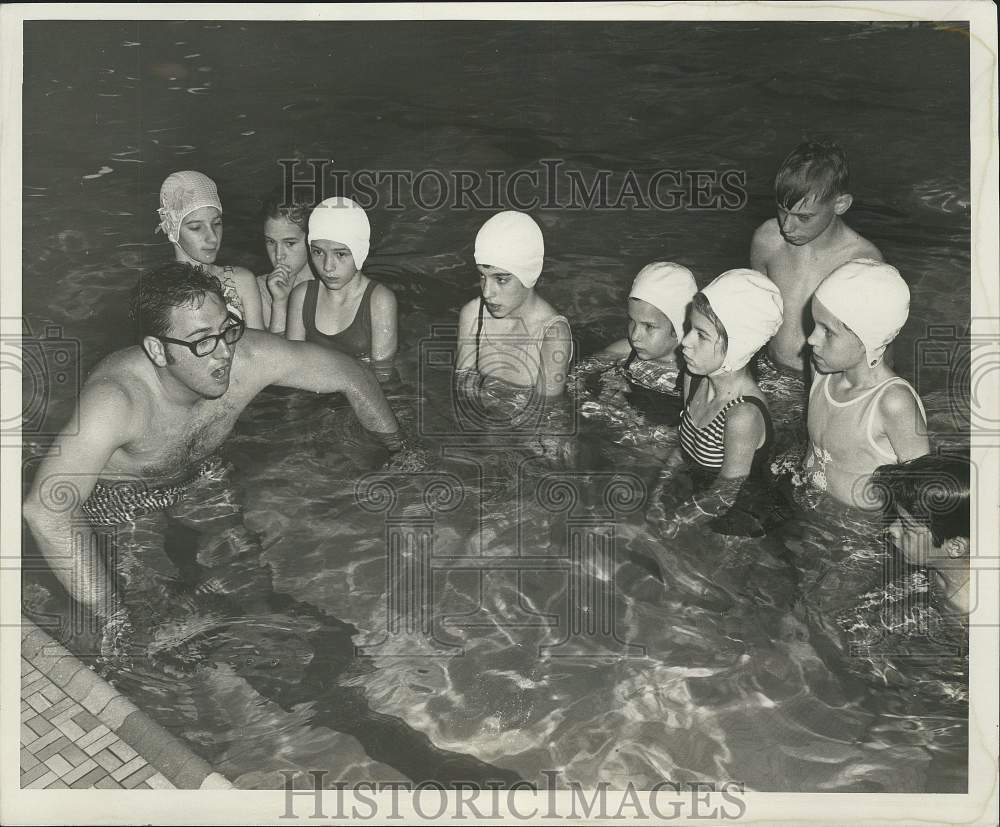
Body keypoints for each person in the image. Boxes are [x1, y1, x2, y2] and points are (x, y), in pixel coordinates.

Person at [22, 262, 407, 646]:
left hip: (200, 476)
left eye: (227, 330)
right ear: (157, 350)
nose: (223, 353)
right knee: (155, 624)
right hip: (122, 502)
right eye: (203, 340)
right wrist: (111, 615)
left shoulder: (248, 358)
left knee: (248, 579)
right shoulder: (117, 401)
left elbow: (350, 374)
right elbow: (46, 509)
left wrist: (401, 450)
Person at [649, 268, 784, 538]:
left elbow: (727, 491)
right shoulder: (694, 378)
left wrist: (679, 522)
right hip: (700, 496)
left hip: (743, 515)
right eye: (689, 328)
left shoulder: (742, 415)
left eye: (701, 334)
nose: (685, 342)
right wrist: (658, 492)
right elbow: (682, 449)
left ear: (738, 345)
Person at [800, 259, 929, 510]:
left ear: (866, 338)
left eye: (827, 331)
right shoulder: (820, 368)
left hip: (858, 531)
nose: (811, 338)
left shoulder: (892, 402)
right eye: (814, 324)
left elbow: (921, 490)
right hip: (809, 499)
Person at [750, 141, 882, 378]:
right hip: (767, 370)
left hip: (823, 382)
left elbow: (877, 349)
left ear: (840, 204)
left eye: (804, 217)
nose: (787, 227)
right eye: (782, 210)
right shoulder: (767, 239)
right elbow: (755, 314)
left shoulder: (862, 262)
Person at [456, 211, 573, 397]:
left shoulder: (553, 334)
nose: (487, 292)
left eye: (501, 279)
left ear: (529, 274)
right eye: (482, 276)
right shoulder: (473, 314)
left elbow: (549, 414)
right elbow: (463, 387)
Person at [286, 197, 398, 371]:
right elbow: (291, 367)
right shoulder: (302, 296)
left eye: (340, 254)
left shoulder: (379, 301)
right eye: (318, 252)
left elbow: (383, 374)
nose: (327, 266)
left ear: (360, 252)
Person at [590, 262, 697, 425]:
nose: (635, 335)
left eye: (649, 326)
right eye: (632, 321)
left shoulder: (694, 375)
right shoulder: (624, 351)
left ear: (679, 329)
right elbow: (578, 374)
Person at [157, 170, 264, 329]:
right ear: (173, 230)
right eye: (196, 227)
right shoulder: (159, 293)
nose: (212, 237)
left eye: (216, 223)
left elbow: (262, 350)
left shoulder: (241, 282)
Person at [871, 454, 970, 617]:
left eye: (906, 526)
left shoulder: (966, 609)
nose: (892, 529)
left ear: (955, 547)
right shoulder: (936, 564)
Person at [256, 195, 314, 335]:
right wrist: (279, 303)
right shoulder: (260, 290)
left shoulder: (332, 286)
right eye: (271, 242)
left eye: (289, 243)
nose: (278, 255)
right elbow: (274, 355)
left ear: (312, 239)